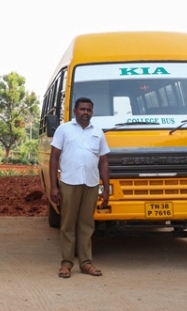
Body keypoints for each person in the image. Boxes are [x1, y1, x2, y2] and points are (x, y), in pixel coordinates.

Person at [49, 97, 110, 278]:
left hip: (91, 184)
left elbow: (104, 162)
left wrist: (105, 188)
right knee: (67, 225)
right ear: (75, 111)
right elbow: (53, 158)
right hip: (69, 183)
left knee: (86, 225)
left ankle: (86, 263)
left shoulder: (98, 132)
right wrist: (54, 186)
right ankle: (66, 264)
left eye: (89, 110)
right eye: (82, 109)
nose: (85, 113)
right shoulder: (64, 130)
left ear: (92, 112)